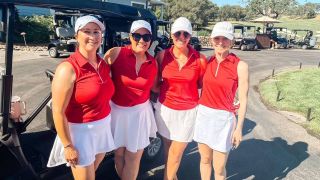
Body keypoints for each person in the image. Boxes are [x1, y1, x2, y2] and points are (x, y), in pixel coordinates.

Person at [47, 15, 116, 180]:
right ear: (77, 35)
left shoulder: (103, 64)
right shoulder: (67, 68)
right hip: (81, 135)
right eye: (87, 31)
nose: (93, 36)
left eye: (96, 32)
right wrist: (68, 145)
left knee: (93, 172)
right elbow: (58, 111)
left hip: (102, 129)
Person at [193, 21, 249, 180]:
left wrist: (239, 128)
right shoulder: (207, 61)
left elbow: (243, 100)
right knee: (204, 160)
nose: (220, 42)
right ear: (212, 39)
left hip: (223, 120)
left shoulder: (240, 66)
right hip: (203, 115)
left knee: (219, 168)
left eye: (225, 38)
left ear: (231, 41)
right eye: (217, 38)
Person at [103, 20, 158, 180]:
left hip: (139, 115)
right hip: (117, 113)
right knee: (119, 155)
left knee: (133, 157)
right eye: (137, 36)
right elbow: (98, 75)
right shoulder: (115, 53)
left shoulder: (153, 62)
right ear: (130, 36)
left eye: (146, 37)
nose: (142, 40)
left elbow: (155, 88)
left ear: (151, 39)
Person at [154, 17, 207, 180]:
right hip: (165, 110)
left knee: (176, 154)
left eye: (186, 34)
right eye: (178, 33)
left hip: (188, 112)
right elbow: (155, 85)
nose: (182, 37)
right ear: (172, 35)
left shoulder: (200, 59)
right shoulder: (162, 56)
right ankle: (172, 176)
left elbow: (202, 86)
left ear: (190, 36)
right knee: (168, 150)